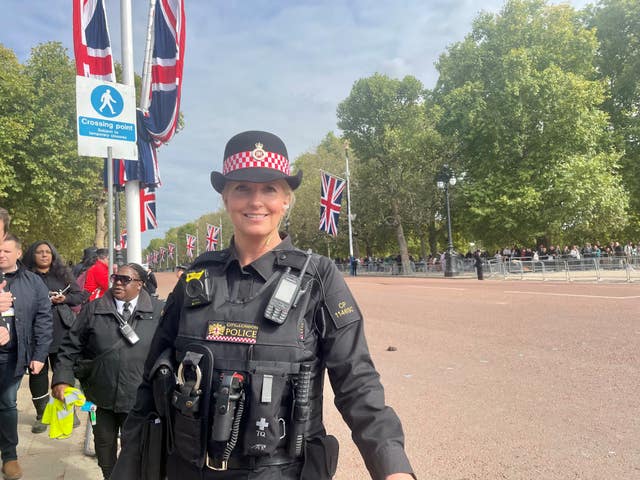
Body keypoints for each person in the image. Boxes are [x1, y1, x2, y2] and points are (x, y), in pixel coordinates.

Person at [112, 131, 415, 480]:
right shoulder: (196, 277)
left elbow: (357, 382)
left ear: (286, 200)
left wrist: (393, 468)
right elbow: (152, 386)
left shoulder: (319, 277)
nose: (256, 201)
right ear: (225, 199)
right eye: (242, 188)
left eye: (269, 189)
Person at [51, 263, 163, 480]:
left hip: (139, 398)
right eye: (115, 278)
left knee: (138, 449)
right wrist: (61, 380)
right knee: (104, 447)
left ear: (139, 285)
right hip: (100, 395)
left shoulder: (158, 311)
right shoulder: (94, 308)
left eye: (125, 279)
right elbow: (70, 346)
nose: (118, 283)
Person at [0, 234, 53, 480]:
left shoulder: (33, 282)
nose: (1, 255)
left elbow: (43, 319)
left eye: (7, 251)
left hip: (13, 357)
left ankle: (9, 456)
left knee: (8, 404)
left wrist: (40, 354)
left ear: (19, 254)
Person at [22, 241, 88, 433]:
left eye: (47, 252)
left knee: (64, 370)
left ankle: (68, 410)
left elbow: (79, 296)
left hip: (61, 330)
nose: (44, 255)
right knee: (37, 374)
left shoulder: (63, 275)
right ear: (32, 255)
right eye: (39, 252)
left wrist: (64, 298)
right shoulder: (25, 276)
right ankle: (42, 414)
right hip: (35, 331)